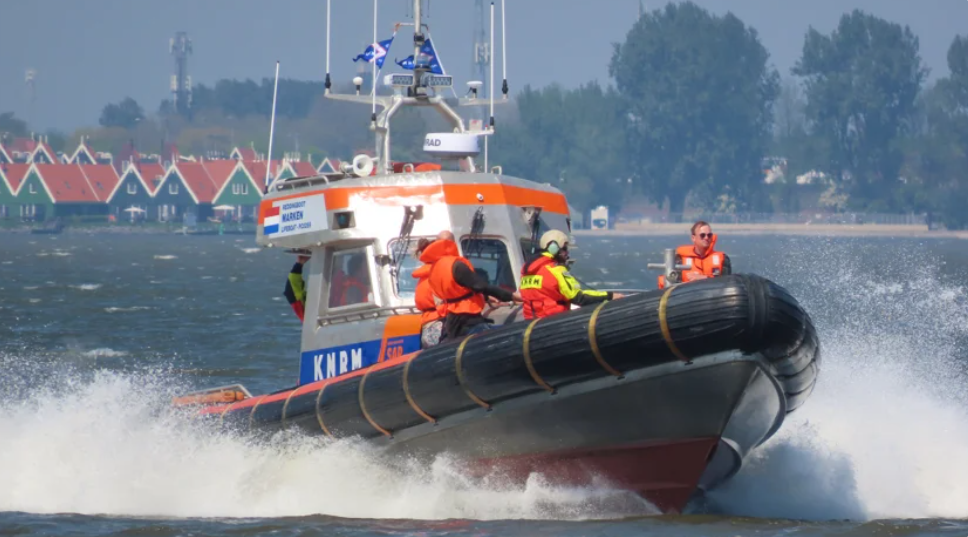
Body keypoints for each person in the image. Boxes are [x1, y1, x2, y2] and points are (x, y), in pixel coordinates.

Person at [420, 230, 522, 342]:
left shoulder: (435, 268)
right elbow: (481, 286)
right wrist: (512, 296)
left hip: (452, 319)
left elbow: (456, 289)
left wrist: (486, 297)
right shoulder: (456, 265)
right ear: (452, 243)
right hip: (468, 317)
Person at [520, 230, 624, 319]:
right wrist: (610, 296)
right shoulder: (555, 270)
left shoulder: (526, 271)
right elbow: (578, 297)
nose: (567, 253)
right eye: (564, 249)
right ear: (553, 248)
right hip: (554, 322)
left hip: (532, 323)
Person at [657, 220, 731, 289]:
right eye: (702, 235)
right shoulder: (681, 259)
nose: (706, 238)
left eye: (709, 235)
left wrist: (703, 278)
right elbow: (674, 283)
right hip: (689, 297)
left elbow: (727, 283)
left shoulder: (722, 259)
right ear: (693, 238)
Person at [411, 238, 444, 348]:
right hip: (439, 326)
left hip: (426, 327)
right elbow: (442, 306)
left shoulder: (423, 278)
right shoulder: (436, 275)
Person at [284, 252, 311, 321]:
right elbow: (291, 293)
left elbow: (291, 293)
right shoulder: (309, 319)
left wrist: (299, 264)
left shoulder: (309, 320)